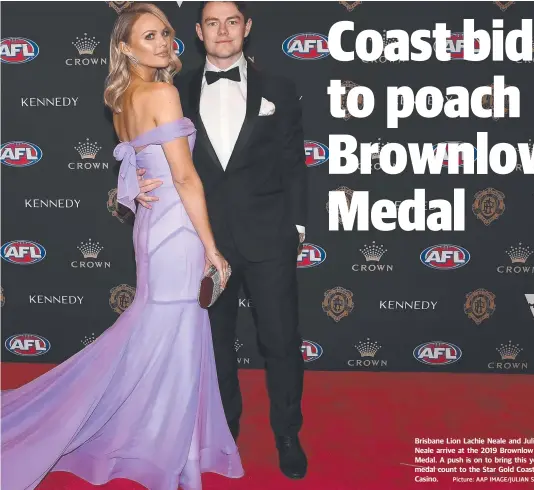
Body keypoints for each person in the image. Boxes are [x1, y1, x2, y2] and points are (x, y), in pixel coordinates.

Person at [0, 4, 244, 489]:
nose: (162, 43)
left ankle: (167, 448)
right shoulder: (162, 92)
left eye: (165, 33)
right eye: (148, 36)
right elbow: (185, 176)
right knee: (175, 340)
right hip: (176, 230)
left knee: (162, 336)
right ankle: (178, 460)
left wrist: (135, 190)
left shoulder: (123, 98)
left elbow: (133, 167)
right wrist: (212, 247)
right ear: (126, 47)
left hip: (153, 229)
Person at [136, 0, 309, 480]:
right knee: (214, 345)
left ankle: (288, 434)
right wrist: (133, 183)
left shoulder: (281, 87)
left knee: (281, 342)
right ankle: (223, 432)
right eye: (212, 23)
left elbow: (295, 164)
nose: (223, 31)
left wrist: (296, 229)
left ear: (246, 28)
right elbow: (143, 151)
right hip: (202, 240)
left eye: (232, 21)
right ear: (197, 32)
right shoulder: (172, 90)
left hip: (269, 237)